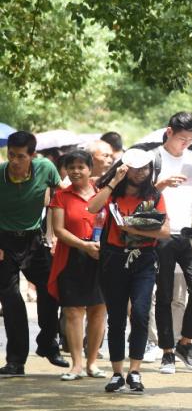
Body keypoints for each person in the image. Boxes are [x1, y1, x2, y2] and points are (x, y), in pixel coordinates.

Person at [87, 149, 170, 393]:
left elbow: (165, 231)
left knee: (141, 313)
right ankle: (117, 373)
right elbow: (92, 208)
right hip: (114, 259)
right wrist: (114, 181)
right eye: (135, 168)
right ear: (125, 168)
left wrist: (133, 229)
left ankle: (135, 371)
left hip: (144, 259)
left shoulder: (154, 196)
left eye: (145, 168)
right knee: (116, 318)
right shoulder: (113, 193)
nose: (140, 173)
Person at [0, 131, 67, 378]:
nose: (14, 161)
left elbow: (63, 195)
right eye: (11, 155)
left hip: (33, 240)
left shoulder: (45, 168)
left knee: (51, 289)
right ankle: (16, 361)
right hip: (4, 240)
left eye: (20, 156)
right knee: (11, 300)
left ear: (32, 156)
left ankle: (48, 344)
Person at [151, 112, 192, 375]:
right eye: (182, 138)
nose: (185, 144)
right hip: (163, 234)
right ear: (169, 132)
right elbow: (140, 197)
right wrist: (160, 185)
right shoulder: (154, 159)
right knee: (164, 294)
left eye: (190, 139)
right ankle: (167, 352)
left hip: (190, 233)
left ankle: (185, 342)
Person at [47, 150, 106, 380]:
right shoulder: (61, 196)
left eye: (81, 167)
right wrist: (84, 245)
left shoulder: (102, 193)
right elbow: (59, 230)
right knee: (73, 311)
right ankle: (76, 365)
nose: (75, 171)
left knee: (98, 310)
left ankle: (92, 363)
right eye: (71, 167)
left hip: (100, 257)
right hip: (71, 256)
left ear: (90, 169)